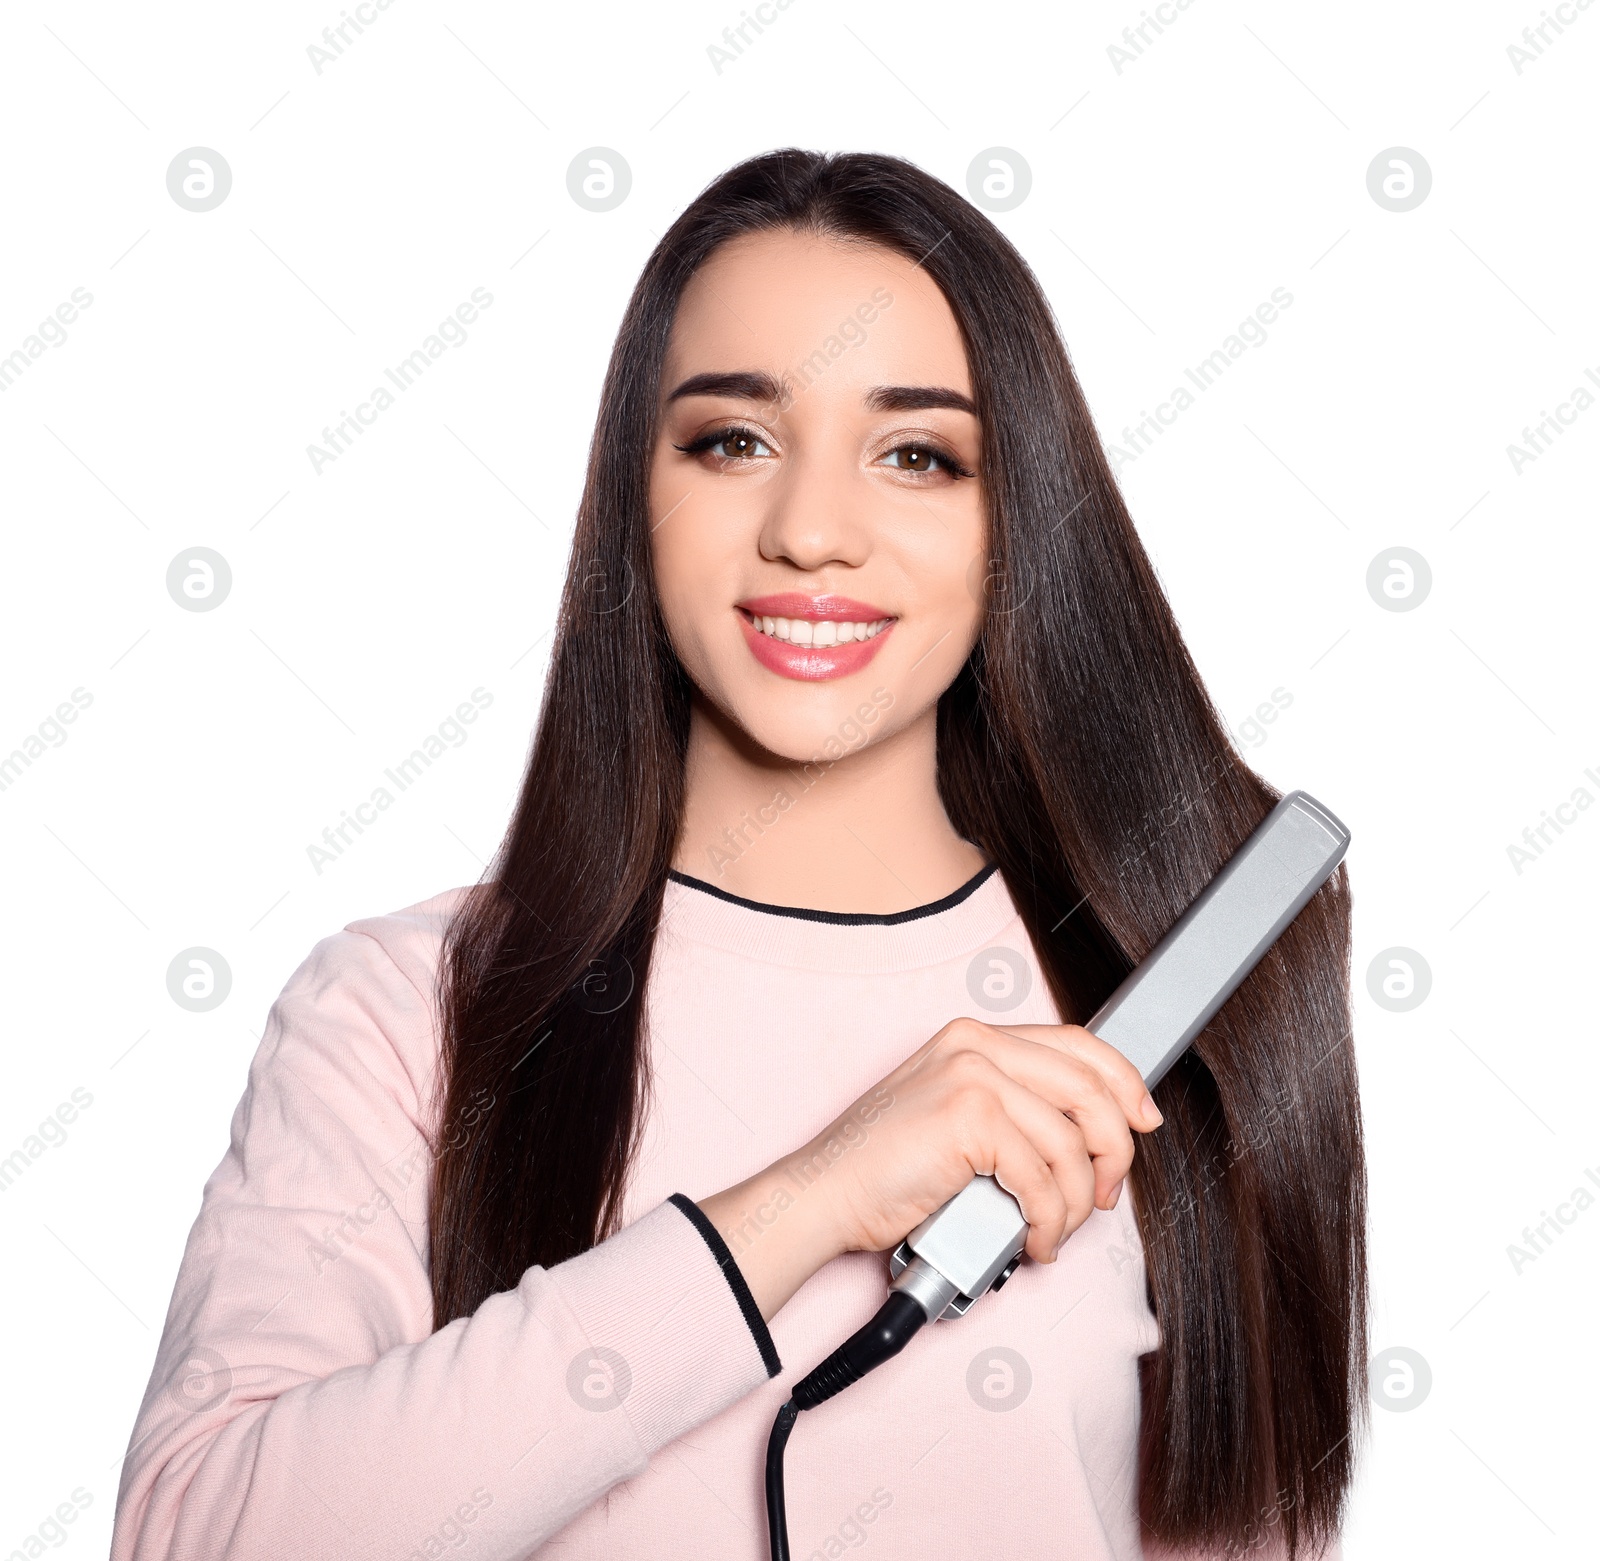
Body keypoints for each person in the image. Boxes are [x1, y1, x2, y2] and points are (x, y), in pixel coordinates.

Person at [112, 149, 1364, 1561]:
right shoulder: (405, 1010)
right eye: (732, 441)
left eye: (916, 454)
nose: (810, 531)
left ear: (1012, 522)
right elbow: (196, 1541)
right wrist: (811, 1198)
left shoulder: (1153, 1018)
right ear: (633, 501)